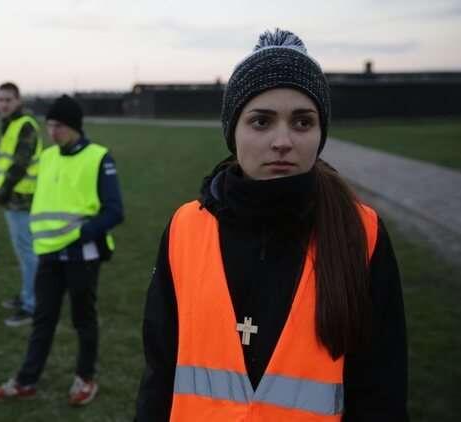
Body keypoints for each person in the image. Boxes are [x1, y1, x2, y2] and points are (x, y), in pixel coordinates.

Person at [135, 29, 408, 421]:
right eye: (261, 121)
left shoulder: (362, 234)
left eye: (302, 122)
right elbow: (159, 373)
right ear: (233, 131)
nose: (282, 141)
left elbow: (382, 393)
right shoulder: (185, 229)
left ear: (320, 133)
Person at [0, 95, 124, 406]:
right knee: (43, 319)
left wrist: (81, 234)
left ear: (74, 126)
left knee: (83, 319)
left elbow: (115, 211)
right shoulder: (48, 157)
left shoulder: (99, 157)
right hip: (49, 253)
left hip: (82, 254)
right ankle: (26, 380)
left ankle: (85, 378)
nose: (52, 132)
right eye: (49, 125)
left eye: (59, 126)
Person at [0, 82, 42, 327]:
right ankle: (27, 295)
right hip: (13, 200)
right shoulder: (10, 124)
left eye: (8, 99)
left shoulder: (24, 125)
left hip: (23, 201)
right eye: (0, 100)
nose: (3, 104)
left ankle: (32, 304)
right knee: (24, 254)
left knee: (28, 255)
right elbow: (3, 164)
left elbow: (19, 166)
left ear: (18, 101)